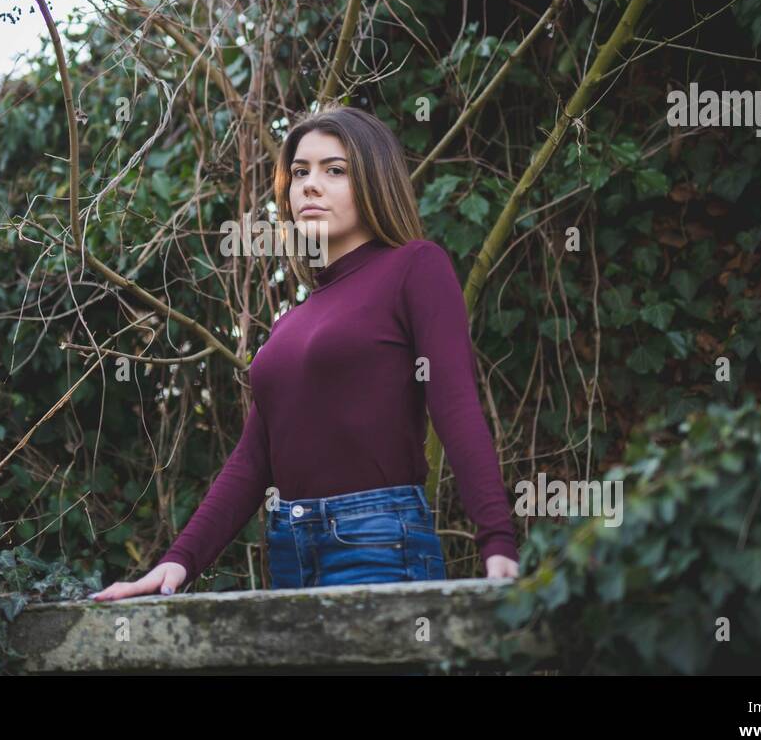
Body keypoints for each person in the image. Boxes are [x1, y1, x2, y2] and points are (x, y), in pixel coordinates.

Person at [90, 105, 519, 601]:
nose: (310, 185)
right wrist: (177, 562)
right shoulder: (291, 323)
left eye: (334, 170)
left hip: (377, 542)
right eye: (299, 172)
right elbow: (253, 461)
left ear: (374, 180)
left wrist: (497, 542)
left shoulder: (415, 267)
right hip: (289, 548)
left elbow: (455, 403)